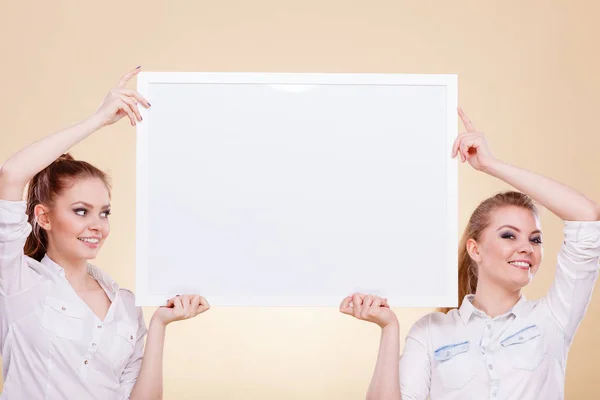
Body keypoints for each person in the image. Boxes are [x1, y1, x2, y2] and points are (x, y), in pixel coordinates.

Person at [340, 108, 600, 399]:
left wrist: (491, 165)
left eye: (536, 239)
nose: (526, 247)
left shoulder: (552, 319)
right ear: (474, 248)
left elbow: (587, 216)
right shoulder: (431, 331)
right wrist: (389, 328)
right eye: (508, 235)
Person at [0, 67, 209, 400]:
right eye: (81, 211)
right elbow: (10, 174)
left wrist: (158, 325)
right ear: (44, 217)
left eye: (104, 213)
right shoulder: (17, 281)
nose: (97, 224)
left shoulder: (125, 305)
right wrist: (97, 120)